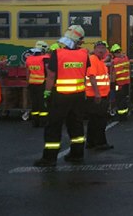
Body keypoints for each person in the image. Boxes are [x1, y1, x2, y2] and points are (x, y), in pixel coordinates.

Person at [34, 25, 90, 167]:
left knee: (54, 126)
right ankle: (77, 155)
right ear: (80, 40)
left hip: (60, 96)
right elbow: (85, 74)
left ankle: (49, 158)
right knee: (76, 125)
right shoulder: (84, 54)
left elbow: (51, 77)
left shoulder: (58, 54)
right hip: (78, 96)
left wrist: (46, 93)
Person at [84, 41, 113, 150]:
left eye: (103, 48)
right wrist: (97, 93)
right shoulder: (93, 59)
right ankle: (100, 143)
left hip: (99, 95)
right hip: (96, 96)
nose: (101, 50)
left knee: (94, 120)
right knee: (100, 121)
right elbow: (92, 77)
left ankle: (91, 142)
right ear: (94, 49)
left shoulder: (99, 60)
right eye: (99, 48)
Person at [25, 41, 50, 127]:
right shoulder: (45, 58)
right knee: (42, 103)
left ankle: (35, 122)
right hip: (42, 83)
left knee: (34, 103)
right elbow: (48, 71)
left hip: (32, 84)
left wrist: (27, 83)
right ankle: (44, 122)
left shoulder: (29, 59)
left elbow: (27, 73)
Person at [110, 44, 131, 121]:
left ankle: (121, 116)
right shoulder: (125, 58)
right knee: (124, 99)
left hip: (119, 84)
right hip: (126, 82)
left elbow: (114, 73)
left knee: (119, 100)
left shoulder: (115, 61)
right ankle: (124, 115)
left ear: (113, 53)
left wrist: (112, 83)